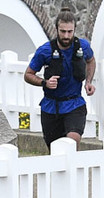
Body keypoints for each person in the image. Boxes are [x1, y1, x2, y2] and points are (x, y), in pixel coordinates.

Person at [25, 8, 97, 146]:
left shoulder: (82, 46)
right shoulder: (45, 51)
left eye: (70, 32)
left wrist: (88, 81)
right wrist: (44, 83)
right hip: (51, 107)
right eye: (62, 31)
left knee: (71, 141)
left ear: (74, 30)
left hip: (75, 104)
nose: (66, 36)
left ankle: (73, 158)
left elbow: (91, 60)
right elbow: (28, 75)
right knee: (55, 150)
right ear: (56, 29)